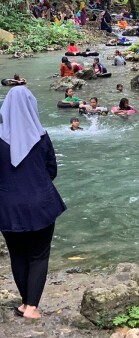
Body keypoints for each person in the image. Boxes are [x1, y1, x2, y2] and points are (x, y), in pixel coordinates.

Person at [0, 86, 67, 320]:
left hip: (7, 207)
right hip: (41, 204)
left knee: (17, 255)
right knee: (38, 255)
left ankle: (25, 303)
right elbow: (52, 170)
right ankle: (32, 307)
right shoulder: (41, 136)